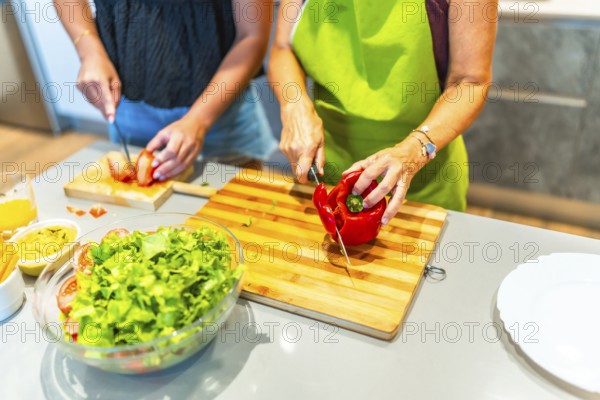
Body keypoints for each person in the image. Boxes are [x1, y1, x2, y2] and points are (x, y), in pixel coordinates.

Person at [269, 0, 498, 223]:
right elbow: (282, 47)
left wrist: (414, 150)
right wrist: (294, 105)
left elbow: (470, 82)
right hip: (325, 171)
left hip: (421, 182)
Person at [55, 0, 276, 180]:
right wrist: (89, 50)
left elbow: (252, 35)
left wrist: (198, 121)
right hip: (131, 110)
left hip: (222, 114)